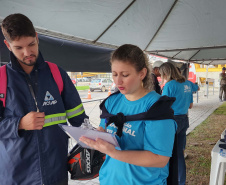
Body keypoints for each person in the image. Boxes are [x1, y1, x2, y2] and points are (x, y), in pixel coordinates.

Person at [0, 13, 87, 185]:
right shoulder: (1, 79)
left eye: (31, 44)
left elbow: (80, 120)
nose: (27, 53)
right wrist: (19, 124)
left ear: (37, 38)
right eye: (19, 48)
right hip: (15, 177)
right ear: (8, 46)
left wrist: (96, 141)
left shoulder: (57, 74)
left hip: (56, 174)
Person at [80, 44, 177, 185]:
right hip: (109, 179)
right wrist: (97, 137)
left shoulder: (156, 107)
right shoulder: (111, 102)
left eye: (125, 75)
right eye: (114, 74)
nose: (118, 81)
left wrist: (115, 153)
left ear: (142, 74)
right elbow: (104, 130)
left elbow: (159, 159)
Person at [159, 62, 193, 185]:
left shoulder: (169, 85)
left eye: (162, 74)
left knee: (166, 152)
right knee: (179, 152)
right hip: (184, 119)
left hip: (172, 121)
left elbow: (163, 107)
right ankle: (181, 181)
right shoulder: (187, 83)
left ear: (166, 73)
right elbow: (191, 105)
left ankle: (169, 180)